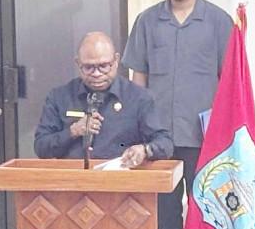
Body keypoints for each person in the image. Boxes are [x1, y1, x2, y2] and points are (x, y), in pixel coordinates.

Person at [122, 0, 233, 229]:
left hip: (204, 136)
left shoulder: (218, 23)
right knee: (167, 210)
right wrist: (136, 129)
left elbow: (230, 83)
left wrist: (227, 134)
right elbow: (138, 79)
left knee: (204, 207)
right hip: (160, 138)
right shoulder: (147, 21)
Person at [34, 31, 173, 166]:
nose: (96, 73)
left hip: (120, 177)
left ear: (116, 60)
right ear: (78, 63)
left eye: (103, 66)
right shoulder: (60, 97)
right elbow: (41, 147)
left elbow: (165, 143)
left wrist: (144, 150)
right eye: (88, 67)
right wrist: (72, 132)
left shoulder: (139, 98)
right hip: (71, 177)